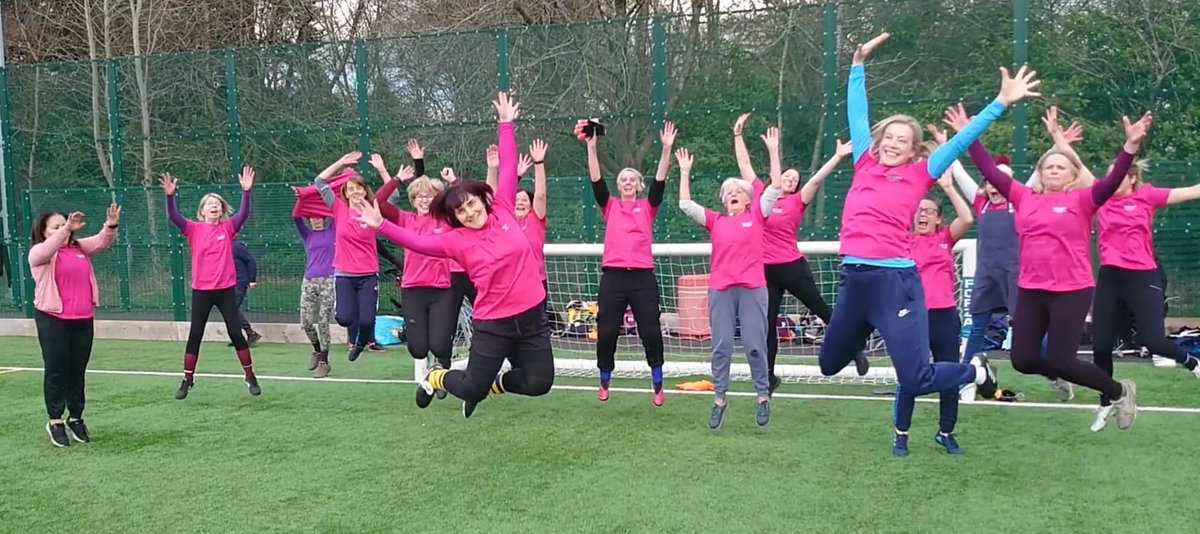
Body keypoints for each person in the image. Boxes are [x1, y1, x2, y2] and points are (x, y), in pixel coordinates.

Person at [816, 33, 1012, 412]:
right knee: (827, 365)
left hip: (895, 285)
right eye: (888, 137)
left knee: (916, 379)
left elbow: (960, 141)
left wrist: (1000, 103)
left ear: (912, 148)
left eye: (901, 140)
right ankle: (866, 329)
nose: (892, 143)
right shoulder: (864, 162)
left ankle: (976, 374)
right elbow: (857, 112)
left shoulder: (922, 172)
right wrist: (857, 65)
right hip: (854, 282)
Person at [956, 102, 1153, 430]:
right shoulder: (1024, 197)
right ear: (1040, 173)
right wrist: (969, 134)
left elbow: (1115, 176)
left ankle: (1119, 391)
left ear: (1073, 175)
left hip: (1071, 289)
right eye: (1049, 166)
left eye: (1061, 166)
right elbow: (990, 171)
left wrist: (1130, 146)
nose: (1054, 170)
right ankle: (1070, 379)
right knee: (1022, 359)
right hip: (1032, 289)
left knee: (1062, 358)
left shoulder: (1084, 199)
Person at [357, 92, 553, 419]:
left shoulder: (503, 209)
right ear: (455, 217)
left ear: (482, 200)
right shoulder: (456, 241)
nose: (469, 211)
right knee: (471, 386)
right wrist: (381, 226)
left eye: (472, 203)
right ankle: (436, 376)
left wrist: (506, 124)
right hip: (494, 323)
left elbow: (506, 169)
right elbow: (417, 243)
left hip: (532, 317)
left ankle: (495, 386)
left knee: (539, 382)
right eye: (460, 210)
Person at [730, 113, 867, 392]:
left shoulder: (797, 201)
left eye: (794, 178)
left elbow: (816, 180)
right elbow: (744, 165)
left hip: (792, 267)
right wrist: (738, 135)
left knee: (821, 309)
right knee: (767, 324)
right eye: (786, 176)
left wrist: (838, 156)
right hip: (765, 271)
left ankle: (853, 349)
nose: (790, 180)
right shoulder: (759, 194)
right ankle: (767, 378)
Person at [675, 126, 783, 429]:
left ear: (748, 199)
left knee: (754, 345)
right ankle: (720, 398)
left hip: (752, 289)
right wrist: (684, 172)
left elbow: (775, 185)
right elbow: (685, 205)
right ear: (723, 200)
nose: (733, 194)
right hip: (721, 289)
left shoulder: (757, 215)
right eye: (728, 193)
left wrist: (773, 151)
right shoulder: (716, 221)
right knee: (721, 346)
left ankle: (762, 395)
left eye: (738, 192)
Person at [1089, 159, 1200, 431]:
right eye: (1108, 174)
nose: (1111, 179)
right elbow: (1077, 167)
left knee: (1155, 342)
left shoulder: (1147, 195)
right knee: (1100, 345)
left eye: (1118, 175)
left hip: (1142, 276)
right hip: (1110, 278)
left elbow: (1192, 191)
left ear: (1132, 179)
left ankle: (1193, 363)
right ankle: (1107, 401)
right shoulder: (1098, 195)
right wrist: (1059, 140)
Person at [580, 120, 674, 405]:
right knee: (606, 330)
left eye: (632, 179)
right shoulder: (610, 206)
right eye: (622, 180)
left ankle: (657, 381)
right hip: (614, 278)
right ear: (619, 186)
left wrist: (667, 149)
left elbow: (659, 182)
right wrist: (592, 147)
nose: (627, 183)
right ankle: (605, 377)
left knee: (650, 330)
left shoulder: (648, 207)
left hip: (642, 278)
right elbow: (596, 182)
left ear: (638, 185)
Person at [892, 169, 974, 456]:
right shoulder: (902, 240)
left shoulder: (944, 239)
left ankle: (946, 432)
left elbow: (967, 218)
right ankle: (901, 434)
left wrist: (949, 187)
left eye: (928, 211)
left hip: (944, 316)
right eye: (918, 210)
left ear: (939, 218)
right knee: (910, 377)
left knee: (949, 374)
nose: (922, 214)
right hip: (914, 318)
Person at [161, 167, 260, 400]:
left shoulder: (227, 228)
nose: (214, 205)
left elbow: (243, 214)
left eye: (218, 203)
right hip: (202, 291)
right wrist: (169, 196)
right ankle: (188, 379)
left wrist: (246, 191)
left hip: (225, 290)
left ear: (221, 210)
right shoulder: (193, 229)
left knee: (236, 333)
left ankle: (250, 376)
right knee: (195, 333)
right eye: (210, 203)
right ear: (202, 211)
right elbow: (173, 217)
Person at [29, 204, 120, 447]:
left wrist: (110, 224)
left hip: (82, 319)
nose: (64, 230)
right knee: (57, 370)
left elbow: (101, 241)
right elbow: (44, 251)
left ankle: (76, 417)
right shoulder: (40, 252)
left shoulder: (78, 247)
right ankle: (55, 420)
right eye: (56, 227)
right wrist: (65, 229)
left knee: (77, 371)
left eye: (65, 225)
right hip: (53, 320)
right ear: (44, 232)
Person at [373, 151, 459, 375]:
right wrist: (396, 179)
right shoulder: (405, 219)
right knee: (418, 350)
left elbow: (465, 199)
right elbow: (377, 202)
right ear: (412, 200)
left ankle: (441, 369)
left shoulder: (446, 219)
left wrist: (454, 182)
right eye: (419, 196)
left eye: (428, 195)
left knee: (440, 345)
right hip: (413, 289)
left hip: (442, 290)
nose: (424, 200)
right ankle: (430, 363)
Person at [311, 153, 382, 362]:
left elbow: (391, 194)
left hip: (368, 274)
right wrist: (340, 162)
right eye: (351, 189)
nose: (356, 191)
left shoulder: (373, 209)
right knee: (344, 318)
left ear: (364, 190)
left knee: (368, 320)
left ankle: (360, 343)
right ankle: (353, 336)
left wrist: (381, 170)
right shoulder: (339, 209)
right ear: (346, 193)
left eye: (359, 187)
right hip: (344, 274)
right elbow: (319, 182)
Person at [293, 214, 335, 378]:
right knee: (306, 321)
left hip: (328, 280)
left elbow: (337, 211)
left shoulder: (332, 230)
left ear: (324, 218)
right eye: (312, 217)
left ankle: (324, 362)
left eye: (318, 216)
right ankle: (316, 350)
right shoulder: (307, 233)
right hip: (309, 279)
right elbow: (296, 216)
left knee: (323, 321)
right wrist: (301, 199)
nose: (315, 219)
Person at [230, 234, 262, 347]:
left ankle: (251, 333)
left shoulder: (236, 246)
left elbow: (250, 260)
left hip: (239, 281)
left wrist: (252, 279)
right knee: (229, 309)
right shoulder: (224, 245)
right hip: (229, 282)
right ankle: (239, 337)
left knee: (231, 308)